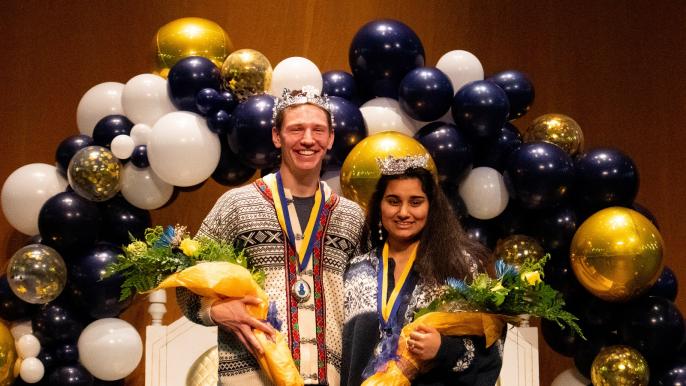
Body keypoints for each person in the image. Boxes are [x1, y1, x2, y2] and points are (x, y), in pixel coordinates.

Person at [178, 87, 365, 385]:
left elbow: (364, 303)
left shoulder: (352, 216)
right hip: (251, 375)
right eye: (296, 129)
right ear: (277, 136)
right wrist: (214, 310)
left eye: (318, 130)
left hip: (329, 376)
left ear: (330, 138)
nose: (307, 139)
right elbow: (185, 283)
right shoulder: (236, 205)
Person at [341, 156, 504, 386]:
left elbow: (492, 353)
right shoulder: (357, 270)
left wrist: (443, 349)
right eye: (393, 201)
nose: (404, 212)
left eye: (416, 202)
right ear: (380, 205)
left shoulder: (459, 267)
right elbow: (343, 353)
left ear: (432, 207)